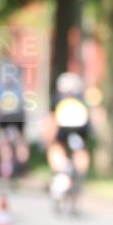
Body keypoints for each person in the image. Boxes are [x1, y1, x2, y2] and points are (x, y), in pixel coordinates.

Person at [44, 71, 92, 199]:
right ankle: (80, 175)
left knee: (55, 147)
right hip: (81, 130)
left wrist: (47, 139)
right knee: (81, 150)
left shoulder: (58, 99)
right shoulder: (82, 99)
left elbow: (52, 120)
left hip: (63, 129)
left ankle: (61, 171)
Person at [0, 60, 30, 179]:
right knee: (20, 140)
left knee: (3, 141)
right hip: (19, 116)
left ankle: (6, 166)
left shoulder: (0, 85)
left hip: (4, 116)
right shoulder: (19, 85)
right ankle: (22, 164)